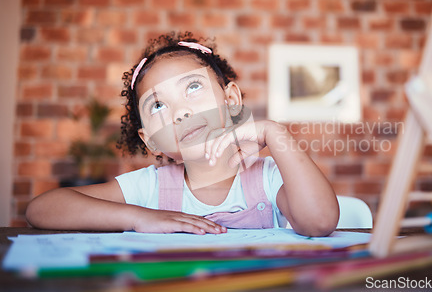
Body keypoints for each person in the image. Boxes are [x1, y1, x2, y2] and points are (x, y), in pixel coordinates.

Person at [26, 32, 339, 237]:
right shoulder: (149, 187)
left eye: (193, 87)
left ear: (230, 101)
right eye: (159, 105)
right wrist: (138, 217)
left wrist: (275, 133)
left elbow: (320, 221)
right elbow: (41, 209)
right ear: (151, 140)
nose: (180, 112)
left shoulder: (265, 177)